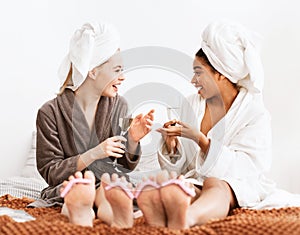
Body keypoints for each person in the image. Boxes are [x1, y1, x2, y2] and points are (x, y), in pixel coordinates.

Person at [135, 19, 277, 229]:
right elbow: (184, 167)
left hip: (235, 185)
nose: (193, 81)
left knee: (215, 184)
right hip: (197, 182)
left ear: (221, 74)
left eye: (199, 73)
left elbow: (246, 167)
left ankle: (186, 218)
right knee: (179, 185)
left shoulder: (254, 114)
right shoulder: (192, 104)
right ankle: (168, 206)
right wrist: (172, 147)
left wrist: (201, 140)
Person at [30, 21, 155, 227]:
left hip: (108, 182)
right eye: (116, 70)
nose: (122, 77)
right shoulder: (49, 113)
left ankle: (115, 216)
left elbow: (124, 165)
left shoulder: (119, 105)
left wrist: (132, 138)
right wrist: (95, 153)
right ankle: (80, 208)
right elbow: (51, 172)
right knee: (81, 189)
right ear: (93, 71)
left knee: (108, 185)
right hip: (70, 185)